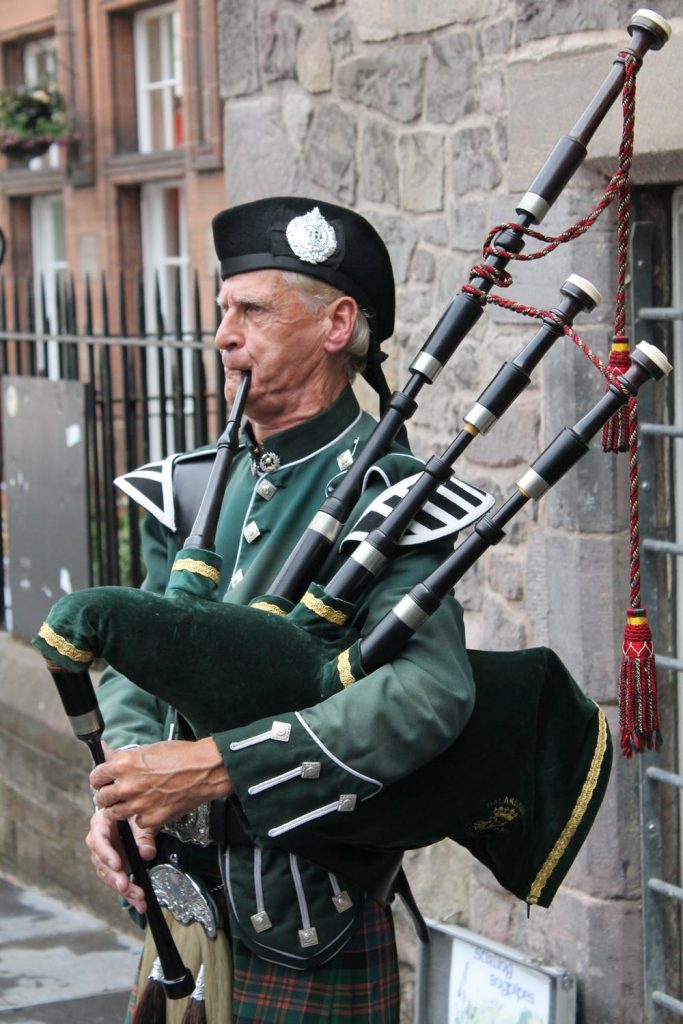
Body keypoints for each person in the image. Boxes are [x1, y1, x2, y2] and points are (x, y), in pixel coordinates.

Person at [86, 197, 475, 1023]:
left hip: (307, 914)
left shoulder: (393, 496)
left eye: (252, 311)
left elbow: (428, 692)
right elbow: (136, 661)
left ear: (336, 325)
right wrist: (124, 788)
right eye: (223, 310)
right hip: (177, 904)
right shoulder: (189, 488)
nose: (224, 334)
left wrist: (226, 764)